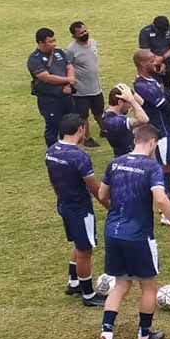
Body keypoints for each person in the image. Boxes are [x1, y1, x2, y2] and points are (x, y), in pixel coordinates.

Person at [96, 123, 170, 339]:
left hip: (113, 232)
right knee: (148, 286)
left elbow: (102, 194)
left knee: (121, 284)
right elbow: (162, 199)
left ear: (135, 139)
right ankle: (144, 336)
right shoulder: (151, 167)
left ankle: (106, 333)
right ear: (153, 143)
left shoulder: (115, 163)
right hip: (138, 236)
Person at [48, 114, 103, 306]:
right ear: (80, 129)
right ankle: (88, 294)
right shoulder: (79, 156)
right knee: (85, 250)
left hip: (63, 204)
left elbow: (53, 180)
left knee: (79, 244)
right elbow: (94, 187)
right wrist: (110, 206)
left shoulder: (52, 150)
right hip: (80, 208)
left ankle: (73, 282)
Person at [132, 49, 170, 224]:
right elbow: (164, 106)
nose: (156, 61)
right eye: (152, 60)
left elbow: (167, 95)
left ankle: (167, 201)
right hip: (160, 132)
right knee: (165, 168)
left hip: (167, 129)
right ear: (143, 64)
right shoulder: (142, 85)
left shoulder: (153, 79)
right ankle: (165, 214)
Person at [28, 27, 75, 148]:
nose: (54, 44)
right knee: (53, 127)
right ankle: (53, 152)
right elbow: (45, 77)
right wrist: (68, 80)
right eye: (50, 42)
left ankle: (70, 149)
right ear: (40, 43)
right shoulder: (34, 59)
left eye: (54, 40)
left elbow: (69, 66)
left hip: (66, 97)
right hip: (50, 100)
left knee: (71, 124)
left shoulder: (59, 52)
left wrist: (69, 84)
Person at [66, 21, 103, 148]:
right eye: (81, 33)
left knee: (99, 112)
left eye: (85, 31)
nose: (85, 34)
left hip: (96, 87)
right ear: (74, 36)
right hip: (81, 90)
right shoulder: (71, 50)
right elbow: (68, 66)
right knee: (83, 116)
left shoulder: (93, 43)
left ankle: (105, 130)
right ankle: (87, 138)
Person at [100, 84, 149, 157]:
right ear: (120, 102)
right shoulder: (114, 122)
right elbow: (144, 119)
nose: (130, 106)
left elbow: (142, 102)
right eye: (128, 103)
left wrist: (128, 91)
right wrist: (132, 101)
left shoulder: (112, 113)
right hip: (127, 158)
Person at [138, 16, 170, 87]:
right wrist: (158, 63)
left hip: (168, 63)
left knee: (169, 86)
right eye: (160, 31)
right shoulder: (145, 32)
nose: (163, 32)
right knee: (155, 87)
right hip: (151, 65)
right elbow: (145, 52)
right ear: (154, 26)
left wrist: (162, 58)